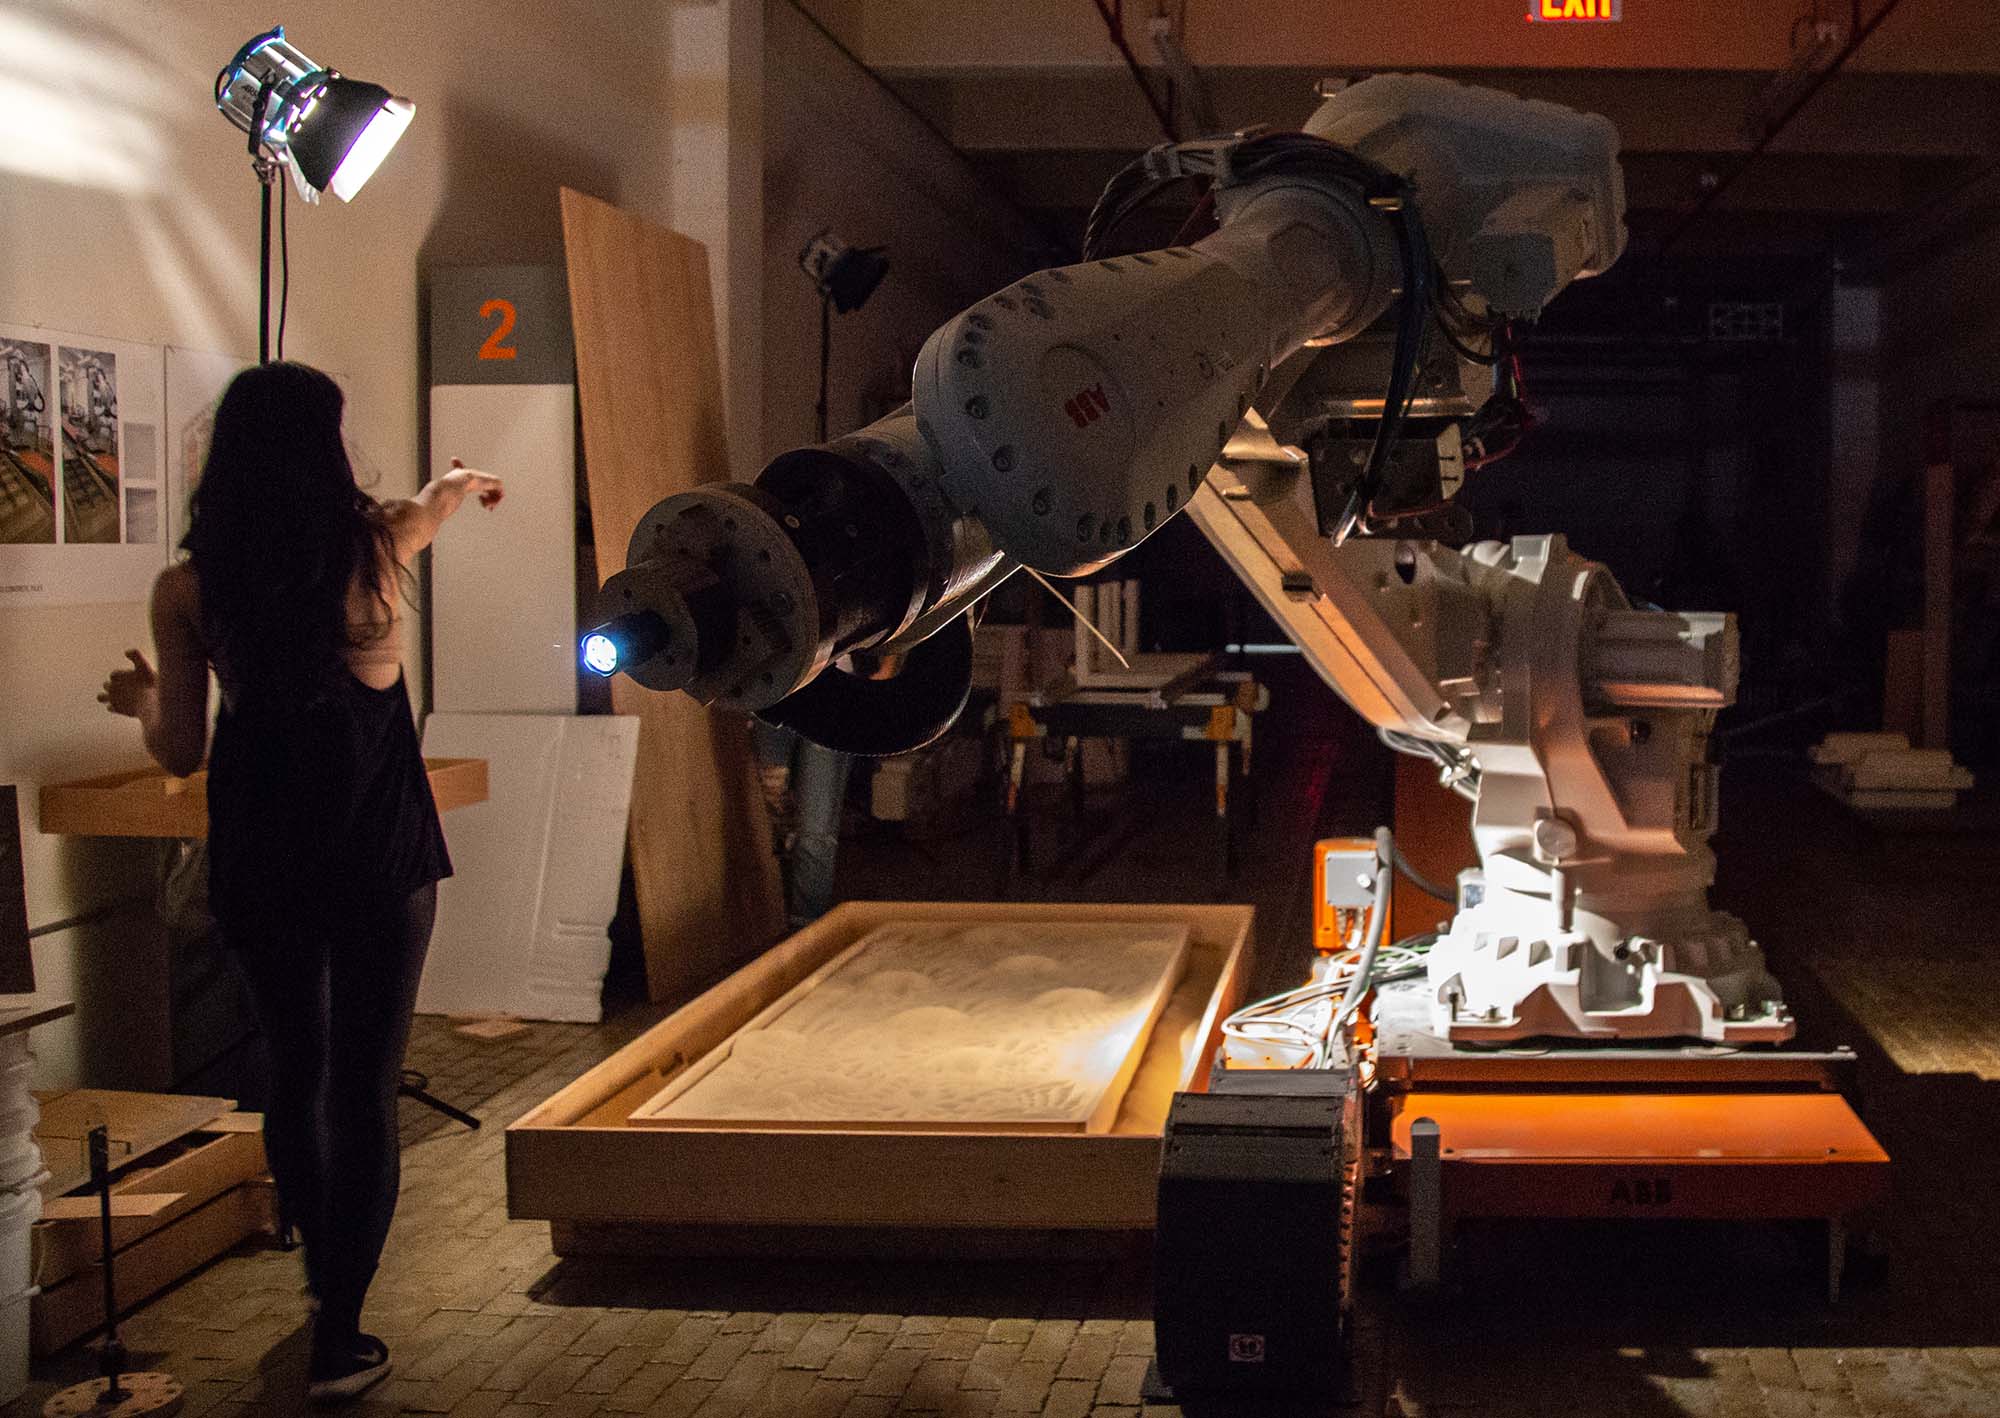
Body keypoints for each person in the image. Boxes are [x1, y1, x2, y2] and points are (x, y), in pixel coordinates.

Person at [99, 361, 502, 1404]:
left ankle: (316, 1281)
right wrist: (459, 485)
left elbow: (181, 749)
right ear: (325, 448)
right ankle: (339, 1325)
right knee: (364, 1089)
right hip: (376, 847)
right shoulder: (371, 553)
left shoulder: (192, 587)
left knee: (293, 1068)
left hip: (264, 852)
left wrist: (141, 698)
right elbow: (421, 511)